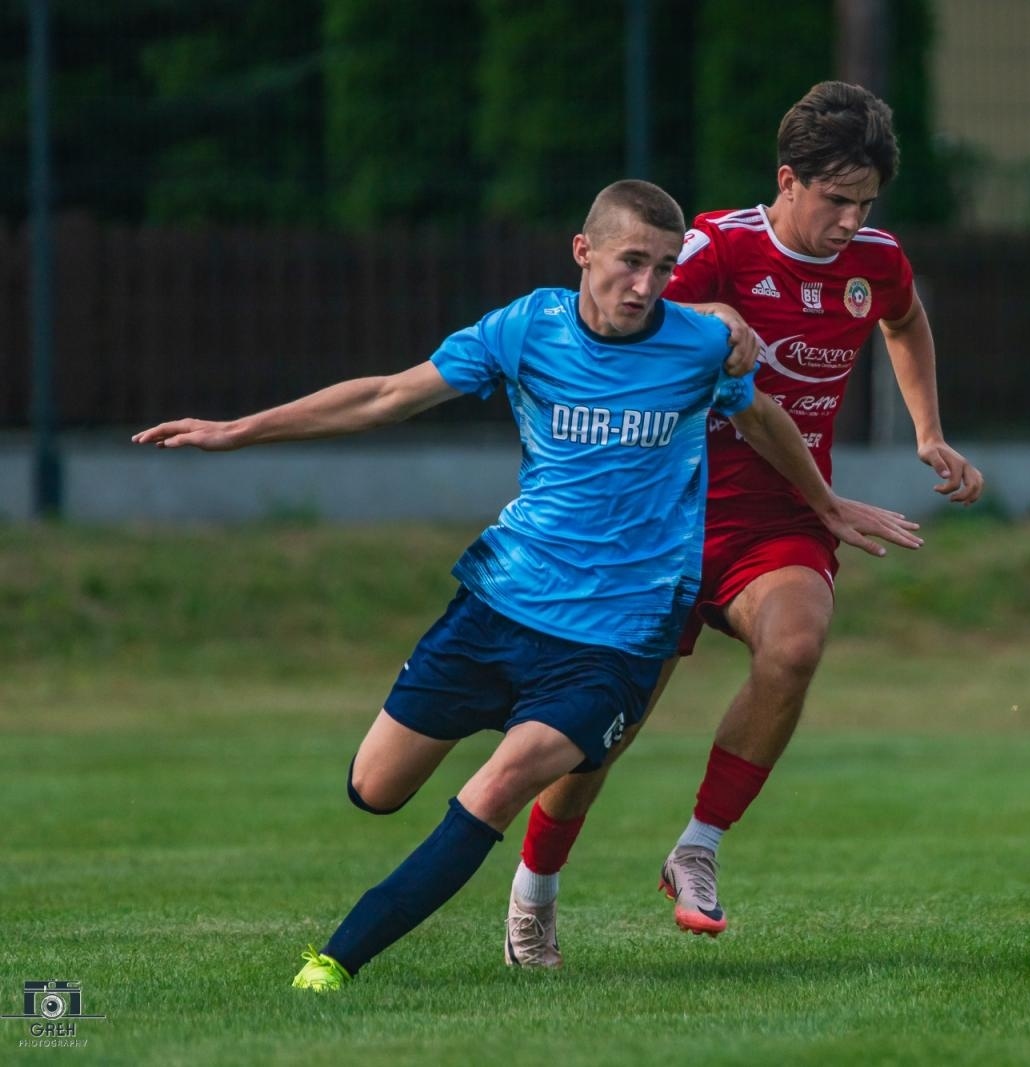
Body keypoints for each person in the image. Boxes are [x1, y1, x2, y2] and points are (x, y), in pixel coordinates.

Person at [131, 179, 922, 991]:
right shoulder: (525, 328)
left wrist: (824, 504)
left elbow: (760, 417)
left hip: (615, 639)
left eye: (660, 266)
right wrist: (238, 431)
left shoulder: (696, 346)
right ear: (583, 253)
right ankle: (496, 739)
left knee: (502, 784)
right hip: (499, 606)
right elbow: (388, 395)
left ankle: (337, 958)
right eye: (628, 263)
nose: (645, 286)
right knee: (374, 788)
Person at [505, 82, 984, 968]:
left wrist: (929, 431)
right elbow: (620, 321)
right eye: (835, 200)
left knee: (797, 643)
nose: (850, 221)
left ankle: (698, 846)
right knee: (607, 728)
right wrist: (700, 317)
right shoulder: (713, 248)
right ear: (787, 180)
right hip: (662, 521)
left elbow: (906, 322)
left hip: (779, 521)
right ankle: (535, 888)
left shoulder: (875, 261)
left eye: (865, 203)